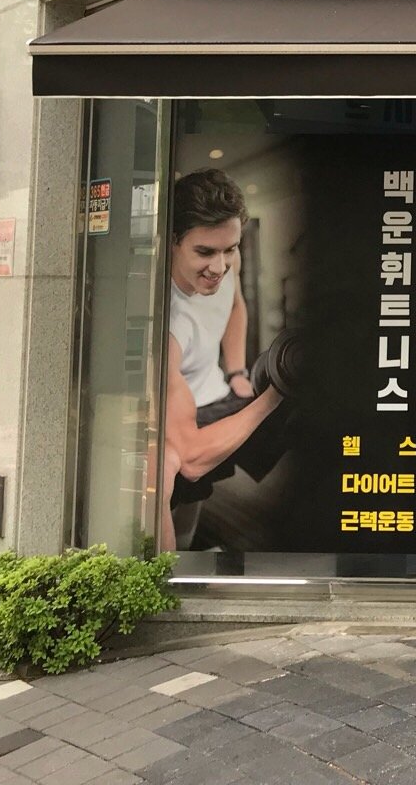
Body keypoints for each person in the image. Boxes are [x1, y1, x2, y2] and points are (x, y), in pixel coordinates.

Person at [161, 168, 284, 551]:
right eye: (204, 252)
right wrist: (274, 394)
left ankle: (189, 550)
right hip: (178, 417)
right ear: (173, 242)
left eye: (229, 249)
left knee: (197, 493)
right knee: (172, 476)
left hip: (215, 393)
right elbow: (191, 457)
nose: (219, 267)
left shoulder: (228, 264)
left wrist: (236, 371)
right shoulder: (166, 323)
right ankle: (173, 569)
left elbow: (234, 307)